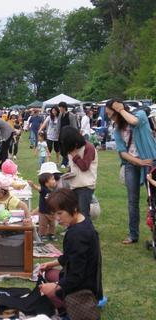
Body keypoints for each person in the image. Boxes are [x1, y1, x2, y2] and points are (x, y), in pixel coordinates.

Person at [39, 188, 102, 315]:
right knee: (48, 273)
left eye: (60, 213)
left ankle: (64, 308)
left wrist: (55, 287)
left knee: (46, 291)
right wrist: (52, 263)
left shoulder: (77, 235)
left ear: (73, 209)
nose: (57, 218)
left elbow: (76, 276)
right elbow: (70, 256)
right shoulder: (82, 220)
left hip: (83, 287)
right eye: (55, 214)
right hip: (87, 280)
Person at [105, 99, 156, 244]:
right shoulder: (117, 130)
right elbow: (122, 152)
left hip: (151, 162)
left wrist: (121, 110)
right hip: (132, 164)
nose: (110, 118)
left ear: (118, 110)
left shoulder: (140, 114)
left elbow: (134, 122)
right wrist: (139, 162)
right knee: (132, 201)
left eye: (111, 114)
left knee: (153, 199)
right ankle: (133, 235)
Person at [60, 126, 98, 218]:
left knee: (83, 213)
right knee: (74, 212)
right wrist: (68, 173)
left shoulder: (88, 147)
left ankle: (87, 231)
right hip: (74, 185)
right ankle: (78, 230)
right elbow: (74, 167)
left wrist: (74, 155)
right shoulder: (71, 149)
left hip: (85, 186)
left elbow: (84, 166)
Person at [28, 162, 60, 242]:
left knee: (52, 224)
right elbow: (38, 188)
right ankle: (42, 235)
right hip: (43, 212)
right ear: (46, 183)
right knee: (43, 224)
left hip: (52, 211)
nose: (54, 181)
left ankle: (51, 234)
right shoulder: (44, 189)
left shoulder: (55, 190)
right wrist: (32, 185)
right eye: (52, 179)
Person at [57, 102, 77, 168]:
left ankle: (65, 162)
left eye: (60, 107)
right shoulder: (60, 115)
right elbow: (58, 125)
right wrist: (58, 133)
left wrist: (73, 135)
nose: (59, 109)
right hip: (62, 134)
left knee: (67, 149)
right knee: (62, 149)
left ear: (64, 107)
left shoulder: (71, 115)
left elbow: (74, 126)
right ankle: (67, 161)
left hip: (69, 135)